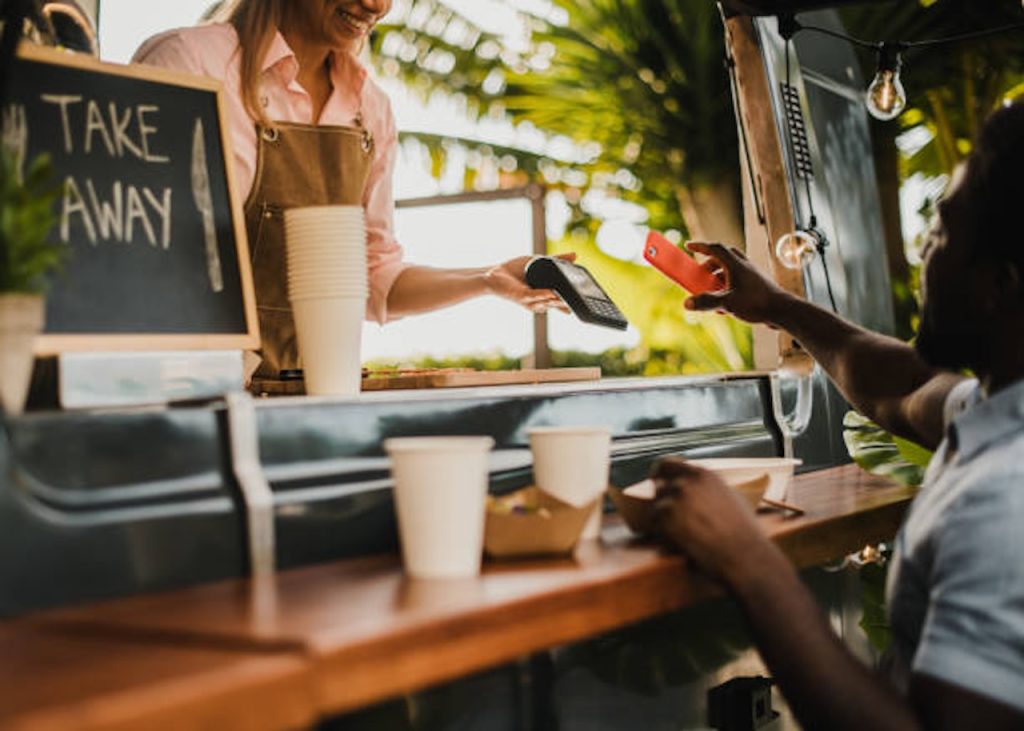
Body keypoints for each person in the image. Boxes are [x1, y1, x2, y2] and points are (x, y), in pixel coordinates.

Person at [652, 101, 1024, 730]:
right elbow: (905, 387)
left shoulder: (1004, 498)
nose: (925, 252)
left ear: (997, 284)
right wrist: (777, 307)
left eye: (941, 232)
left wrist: (748, 561)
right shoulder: (995, 410)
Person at [132, 0, 568, 382]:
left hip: (309, 403)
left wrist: (487, 280)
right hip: (186, 395)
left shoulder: (370, 110)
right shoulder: (188, 64)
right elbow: (130, 248)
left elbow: (373, 276)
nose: (375, 4)